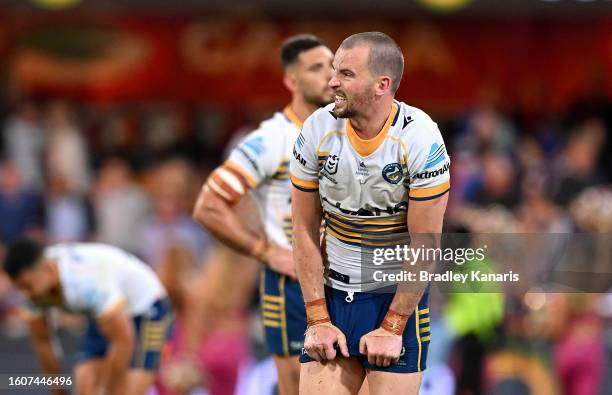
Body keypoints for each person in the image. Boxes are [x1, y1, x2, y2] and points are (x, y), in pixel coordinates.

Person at [290, 32, 450, 394]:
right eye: (334, 71)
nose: (331, 82)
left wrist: (394, 325)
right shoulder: (316, 129)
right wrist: (317, 317)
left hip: (394, 297)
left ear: (382, 84)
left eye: (346, 74)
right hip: (332, 297)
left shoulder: (421, 138)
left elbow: (425, 243)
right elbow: (302, 227)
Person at [192, 34, 334, 395]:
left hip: (346, 279)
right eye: (316, 68)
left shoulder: (349, 133)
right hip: (291, 285)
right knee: (298, 386)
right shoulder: (272, 139)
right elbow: (208, 206)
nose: (329, 76)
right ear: (291, 81)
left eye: (333, 67)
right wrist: (265, 252)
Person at [1, 238, 173, 395]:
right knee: (85, 387)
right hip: (105, 311)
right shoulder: (35, 286)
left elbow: (123, 341)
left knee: (129, 390)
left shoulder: (84, 283)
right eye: (19, 288)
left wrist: (109, 391)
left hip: (148, 305)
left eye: (28, 286)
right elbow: (43, 343)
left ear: (46, 269)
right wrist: (59, 392)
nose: (25, 295)